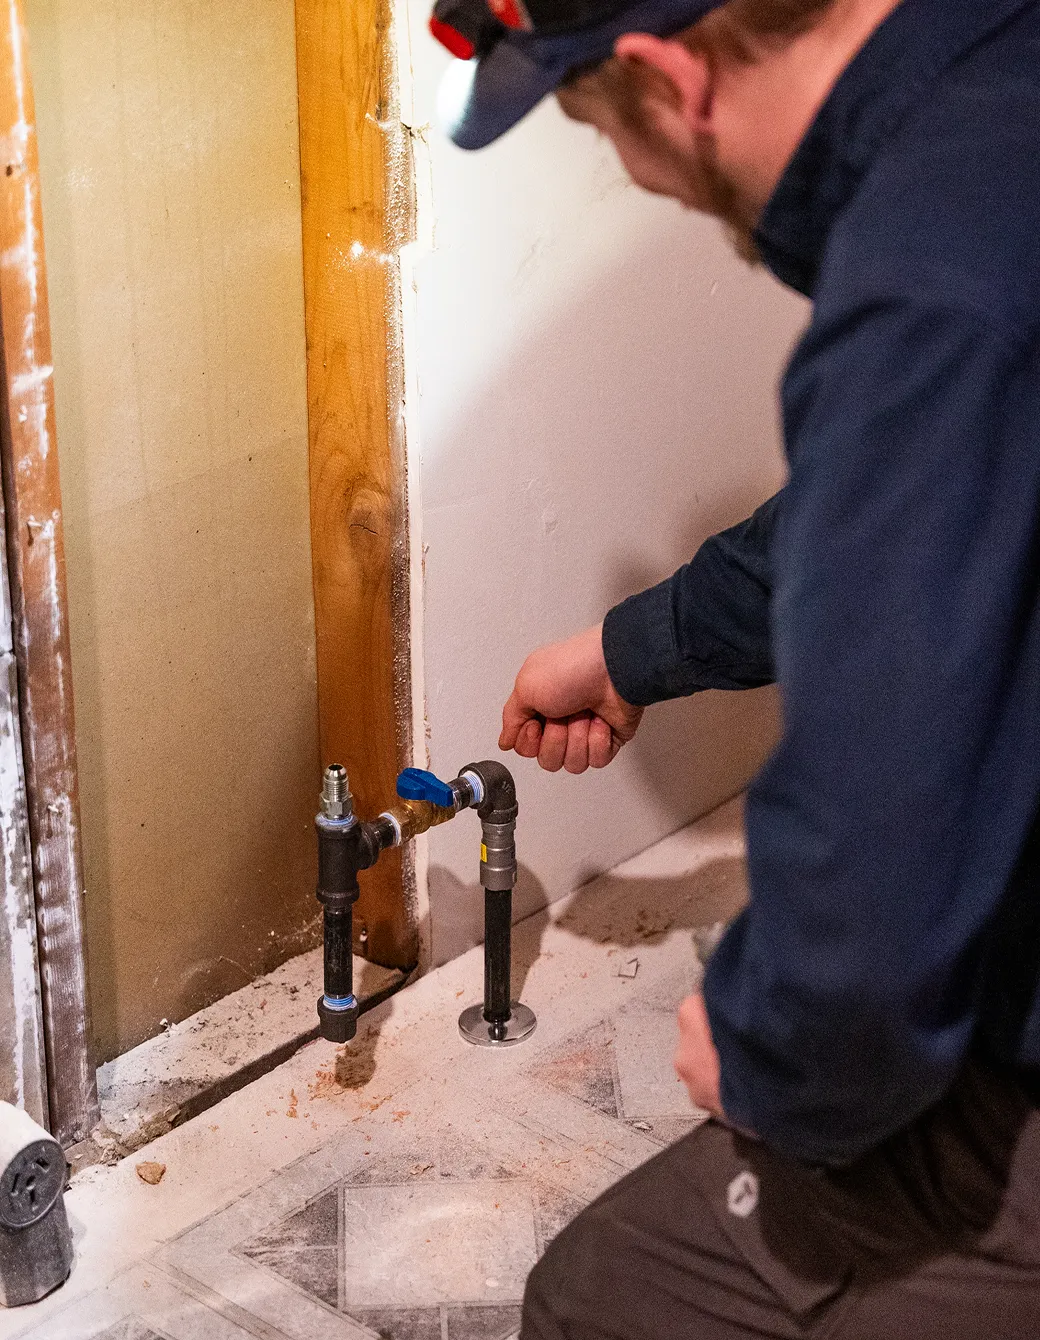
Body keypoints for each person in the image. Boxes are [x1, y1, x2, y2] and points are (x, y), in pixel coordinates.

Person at [429, 0, 1040, 1334]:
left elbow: (880, 880)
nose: (639, 183)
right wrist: (634, 646)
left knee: (602, 1300)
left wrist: (763, 1049)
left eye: (606, 139)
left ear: (664, 79)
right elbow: (917, 498)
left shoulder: (924, 283)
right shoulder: (1001, 100)